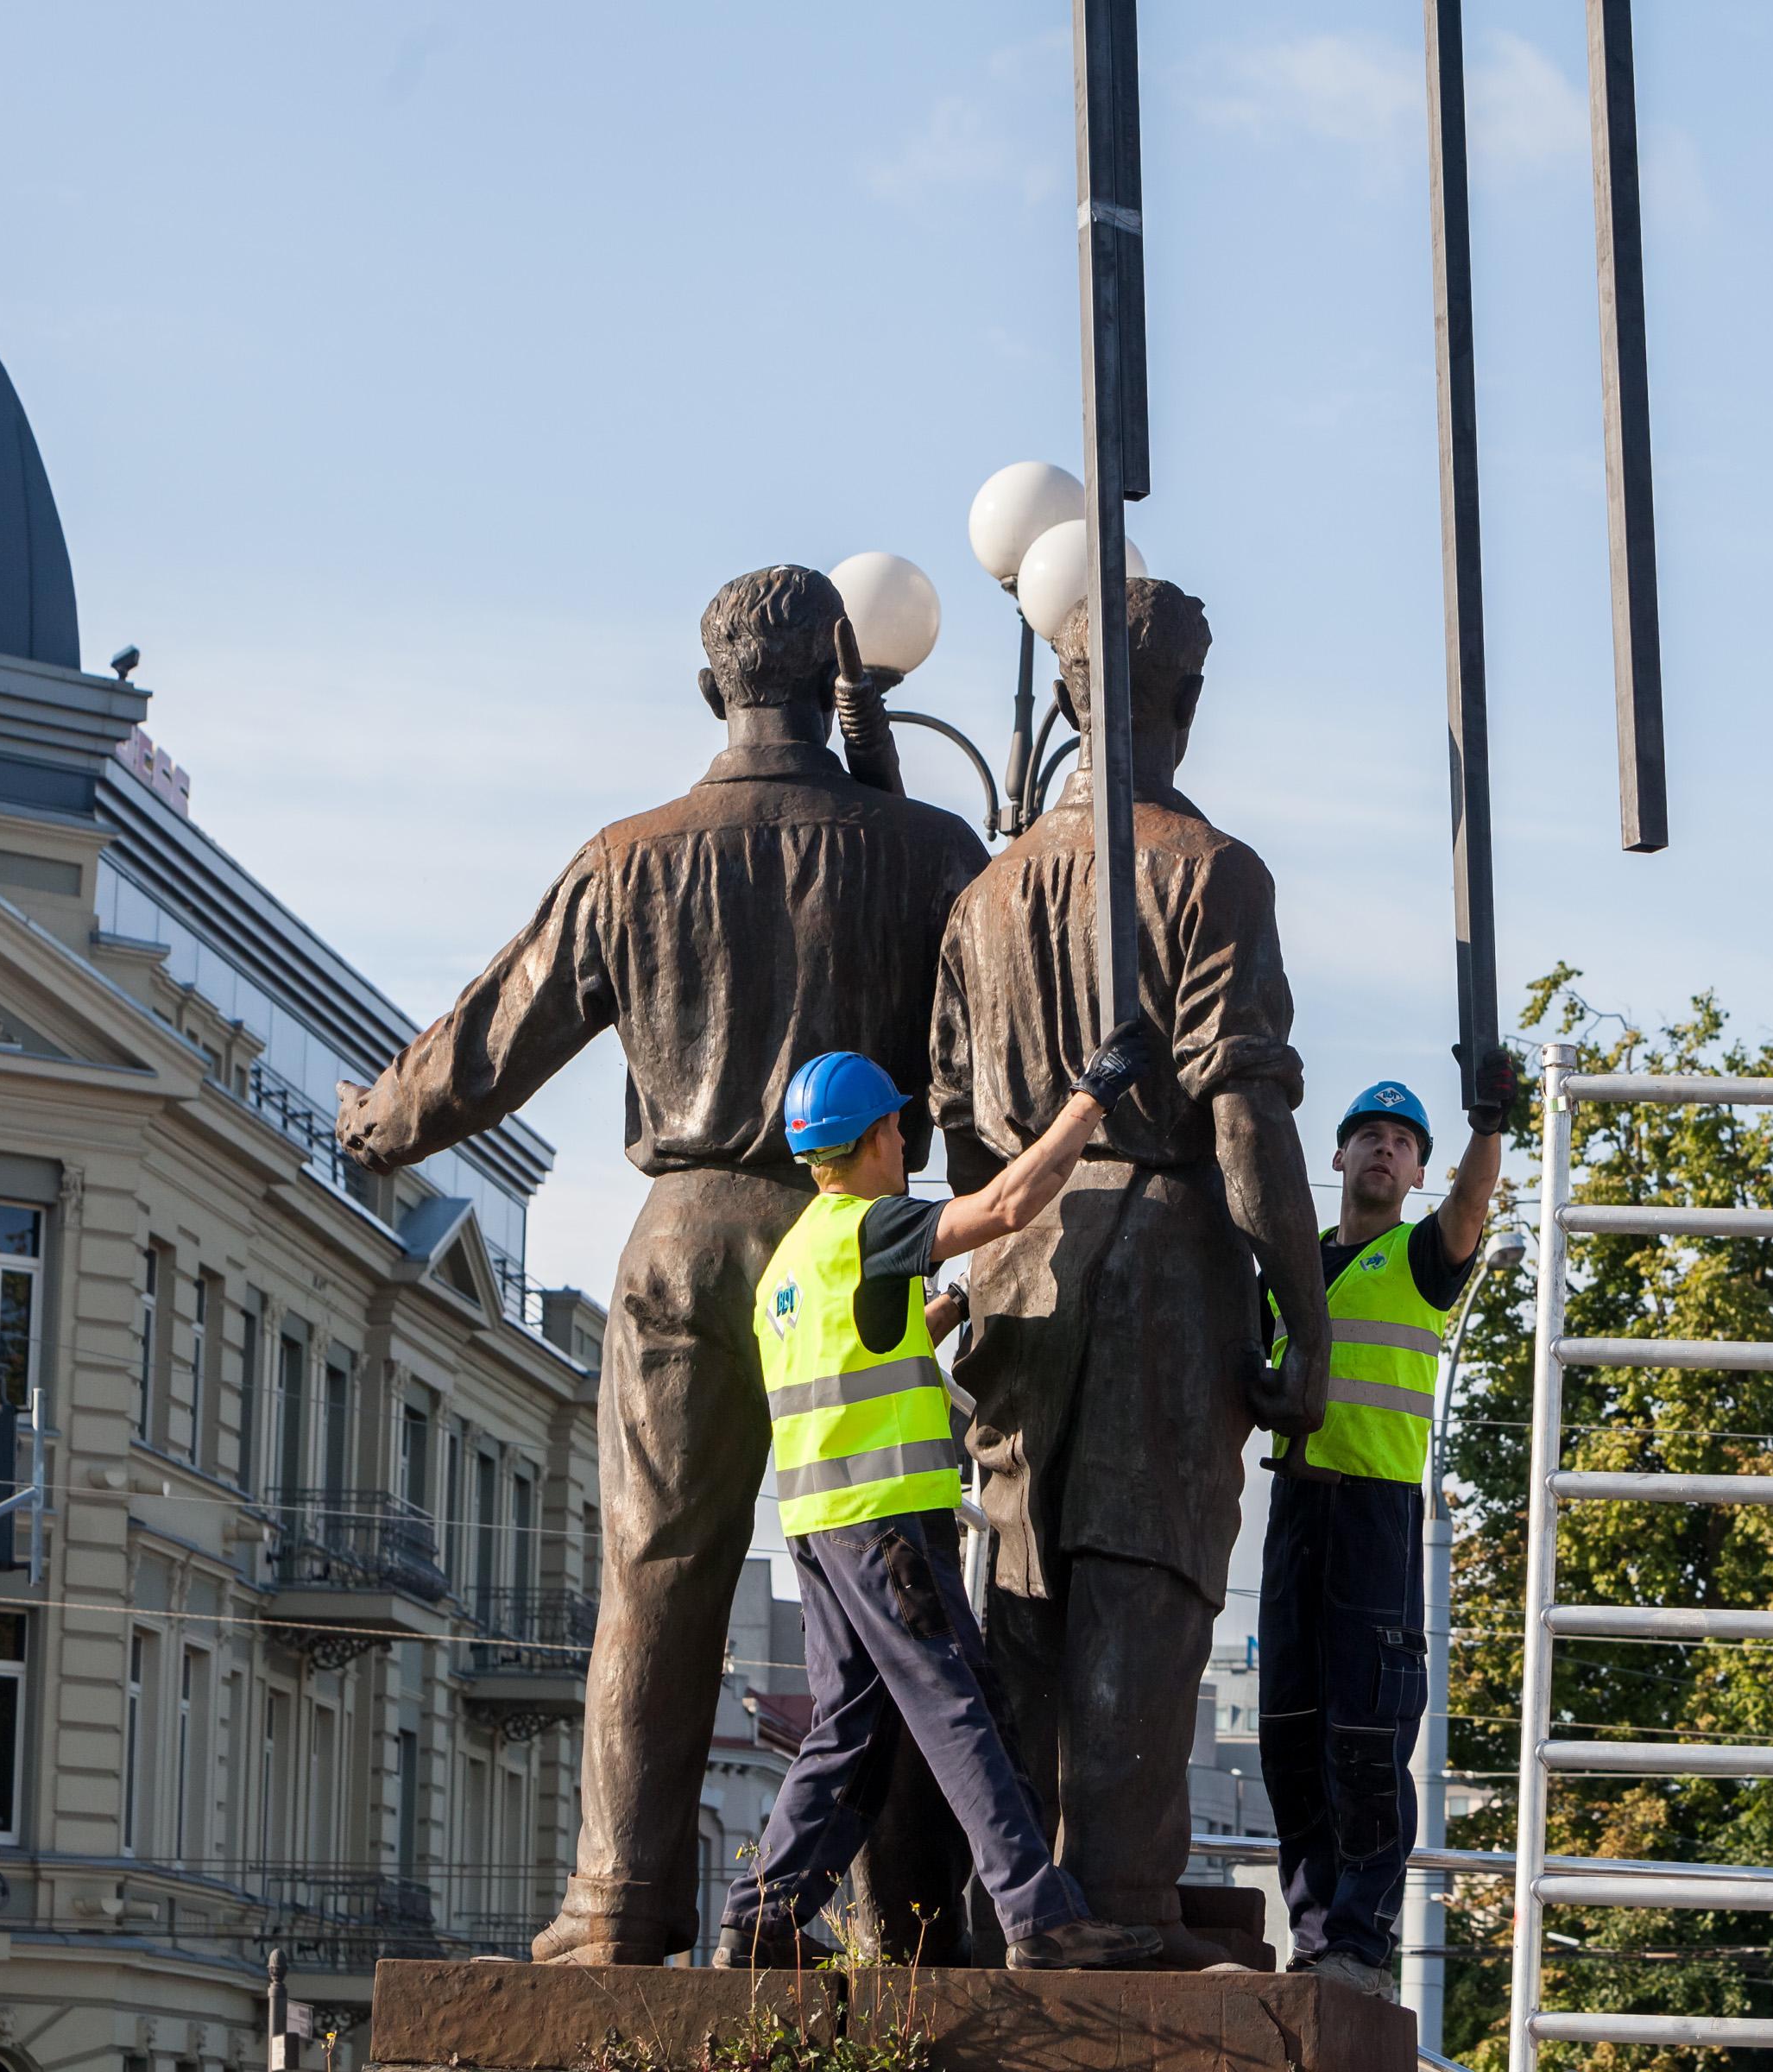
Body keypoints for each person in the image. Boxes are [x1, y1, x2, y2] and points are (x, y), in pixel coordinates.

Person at [335, 565, 987, 1966]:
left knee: (658, 1569)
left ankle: (617, 1907)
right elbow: (987, 1059)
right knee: (885, 1578)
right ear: (838, 676)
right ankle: (913, 1924)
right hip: (850, 1238)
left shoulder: (632, 853)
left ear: (711, 688)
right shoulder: (929, 849)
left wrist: (372, 1123)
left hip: (683, 1241)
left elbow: (492, 1036)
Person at [920, 576, 1334, 1965]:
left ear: (1064, 701)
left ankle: (1023, 1908)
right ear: (1191, 701)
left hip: (1023, 1263)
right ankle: (1120, 1913)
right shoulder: (1214, 873)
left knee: (1023, 1592)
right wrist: (1306, 1318)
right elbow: (1243, 1115)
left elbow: (965, 1123)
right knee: (1144, 1594)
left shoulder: (985, 895)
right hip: (1167, 1258)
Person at [716, 1041, 1164, 1972]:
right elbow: (1005, 1207)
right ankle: (1039, 1915)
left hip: (818, 1528)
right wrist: (1089, 1100)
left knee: (849, 1727)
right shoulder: (874, 1227)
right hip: (888, 1525)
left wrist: (937, 1320)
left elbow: (850, 1361)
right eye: (898, 1128)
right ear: (881, 1135)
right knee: (961, 1703)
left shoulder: (791, 1267)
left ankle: (760, 1918)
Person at [1259, 1058, 1514, 1999]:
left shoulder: (1418, 1256)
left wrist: (1488, 1121)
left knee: (1365, 1736)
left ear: (1416, 1176)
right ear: (1339, 1154)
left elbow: (1475, 1195)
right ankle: (1316, 1935)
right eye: (1371, 1133)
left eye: (1404, 1143)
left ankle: (1360, 1947)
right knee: (1289, 1731)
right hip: (1296, 1512)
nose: (1386, 1147)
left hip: (1375, 1515)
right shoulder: (1290, 1265)